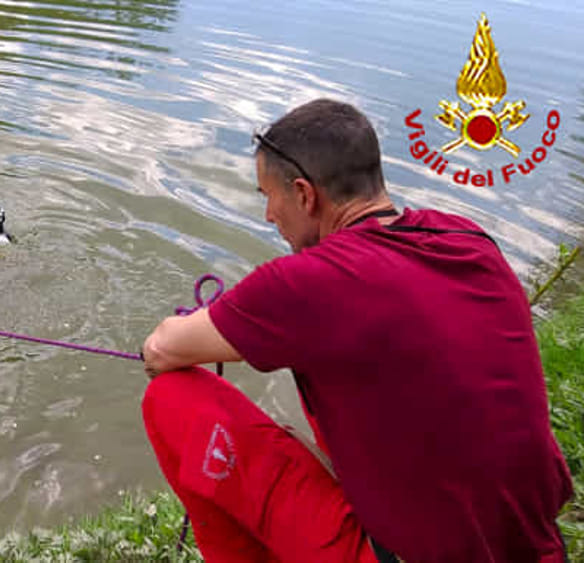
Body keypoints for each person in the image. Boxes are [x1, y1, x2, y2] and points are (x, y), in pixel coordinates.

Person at [140, 99, 571, 562]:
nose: (268, 215)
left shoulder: (310, 282)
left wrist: (188, 329)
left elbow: (162, 350)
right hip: (535, 545)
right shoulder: (466, 239)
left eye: (269, 195)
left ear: (305, 195)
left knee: (171, 399)